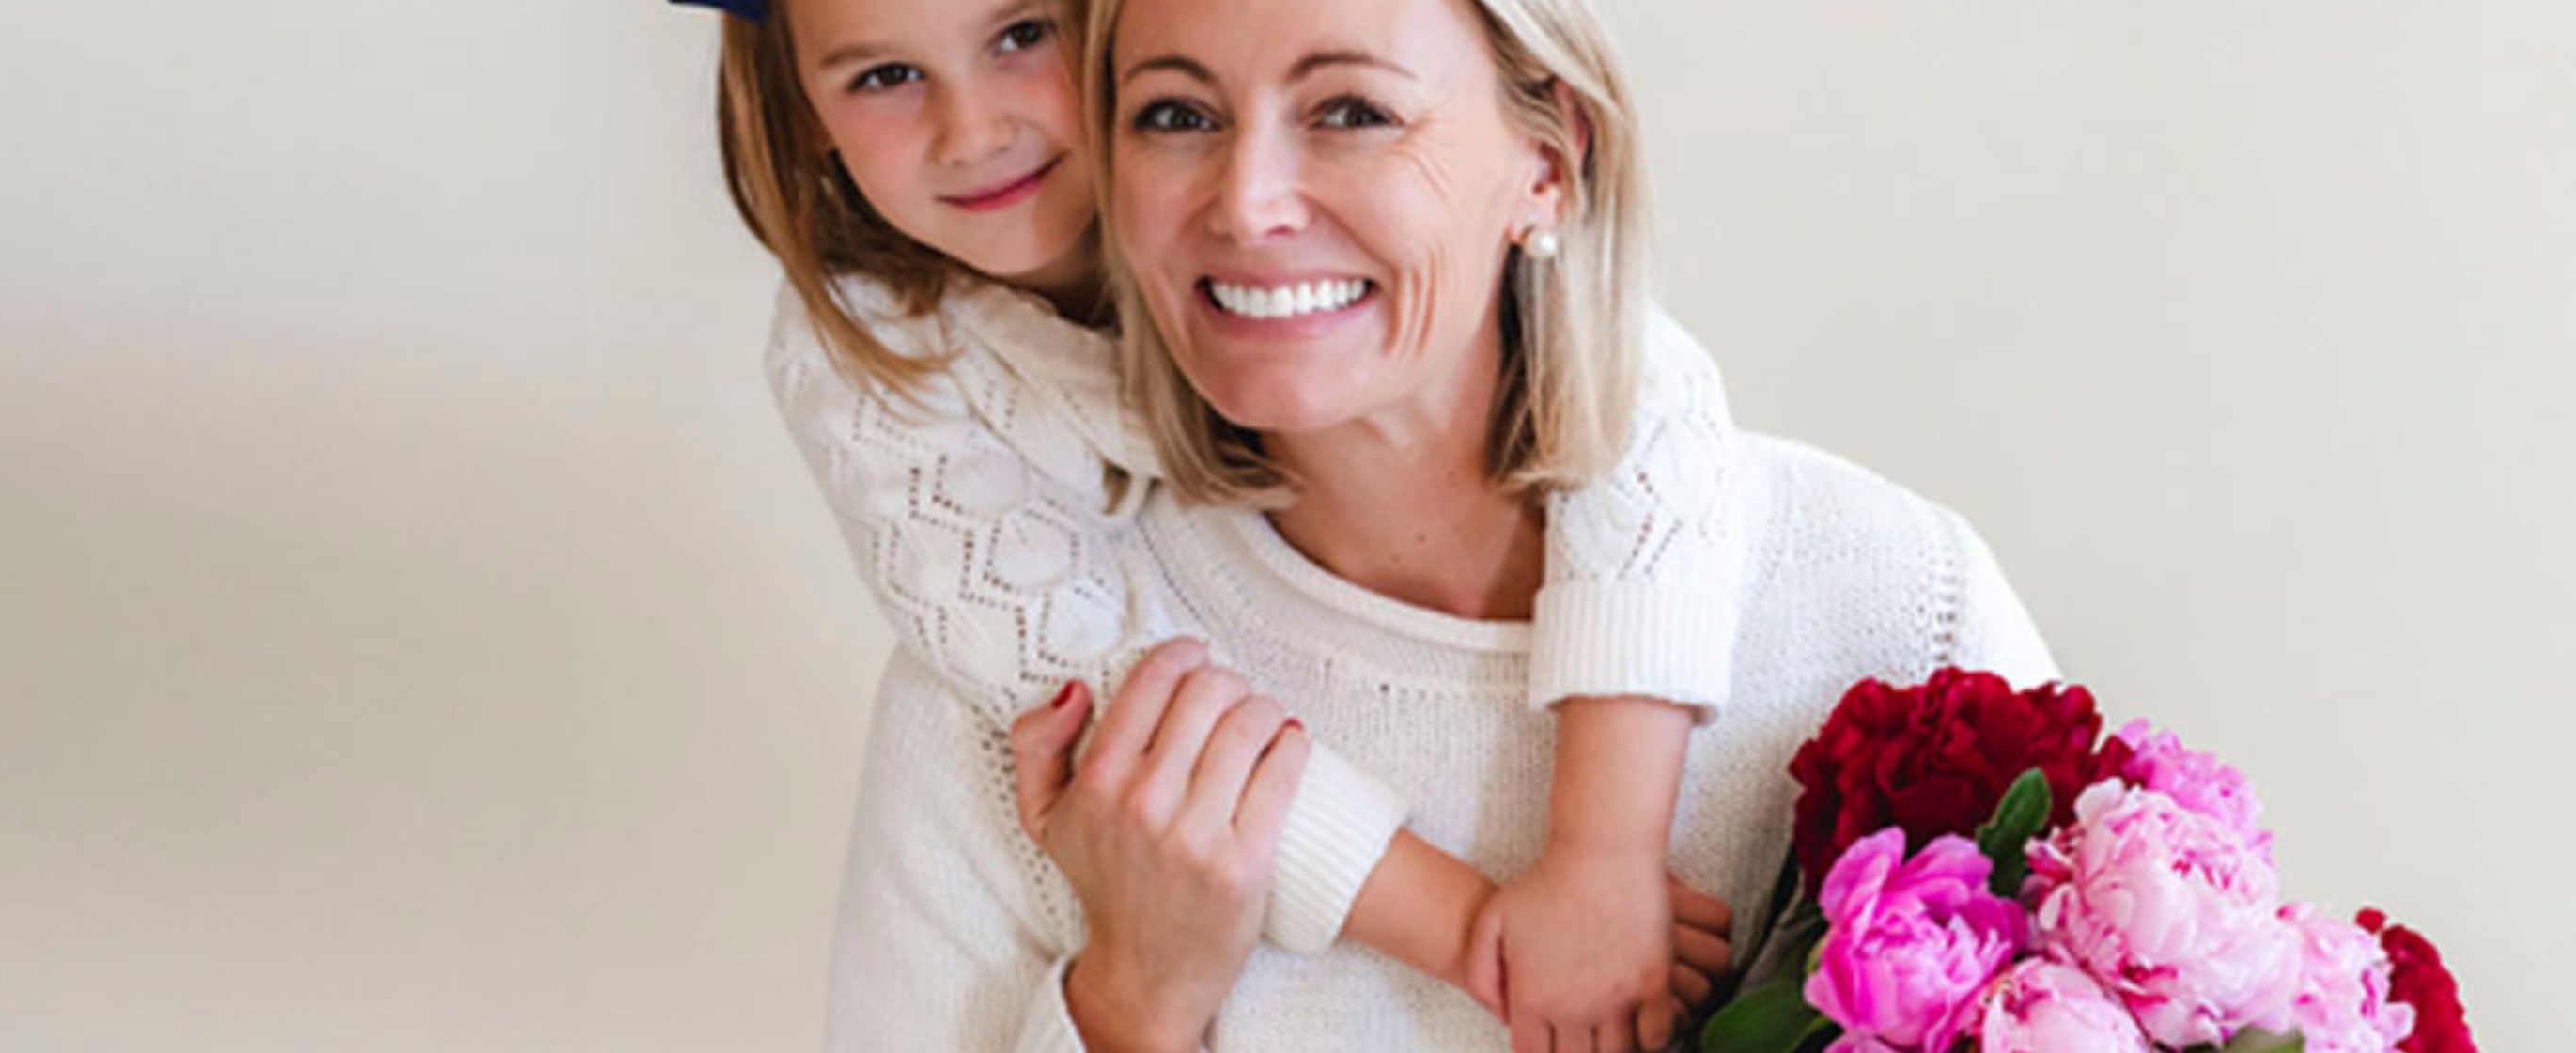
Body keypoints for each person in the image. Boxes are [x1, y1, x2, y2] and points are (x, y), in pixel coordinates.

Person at [874, 0, 2069, 1047]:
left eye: (1349, 109)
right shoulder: (1022, 686)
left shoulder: (1891, 594)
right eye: (1176, 117)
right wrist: (1134, 1005)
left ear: (1547, 158)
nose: (1244, 203)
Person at [676, 0, 1752, 1046]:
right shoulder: (871, 364)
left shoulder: (1792, 536)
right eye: (883, 75)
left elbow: (1640, 398)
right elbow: (1117, 709)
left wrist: (1602, 856)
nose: (975, 131)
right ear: (800, 107)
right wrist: (1471, 929)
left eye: (1019, 36)